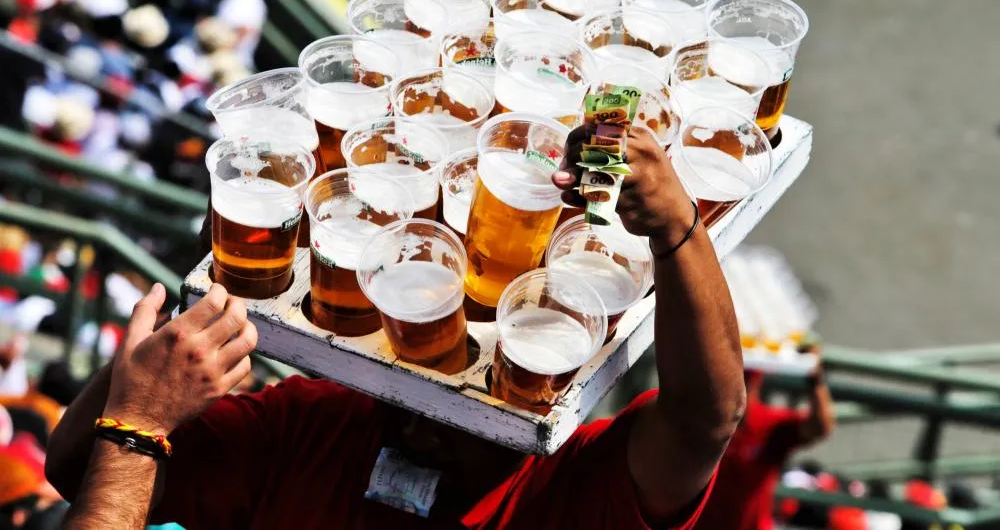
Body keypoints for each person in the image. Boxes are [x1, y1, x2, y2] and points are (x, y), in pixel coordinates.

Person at [46, 126, 747, 529]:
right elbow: (83, 471)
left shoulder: (562, 488)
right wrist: (153, 384)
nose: (416, 424)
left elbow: (704, 419)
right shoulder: (309, 424)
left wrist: (677, 228)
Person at [693, 350, 836, 530]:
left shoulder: (769, 424)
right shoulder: (701, 418)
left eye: (747, 380)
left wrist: (815, 379)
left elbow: (820, 427)